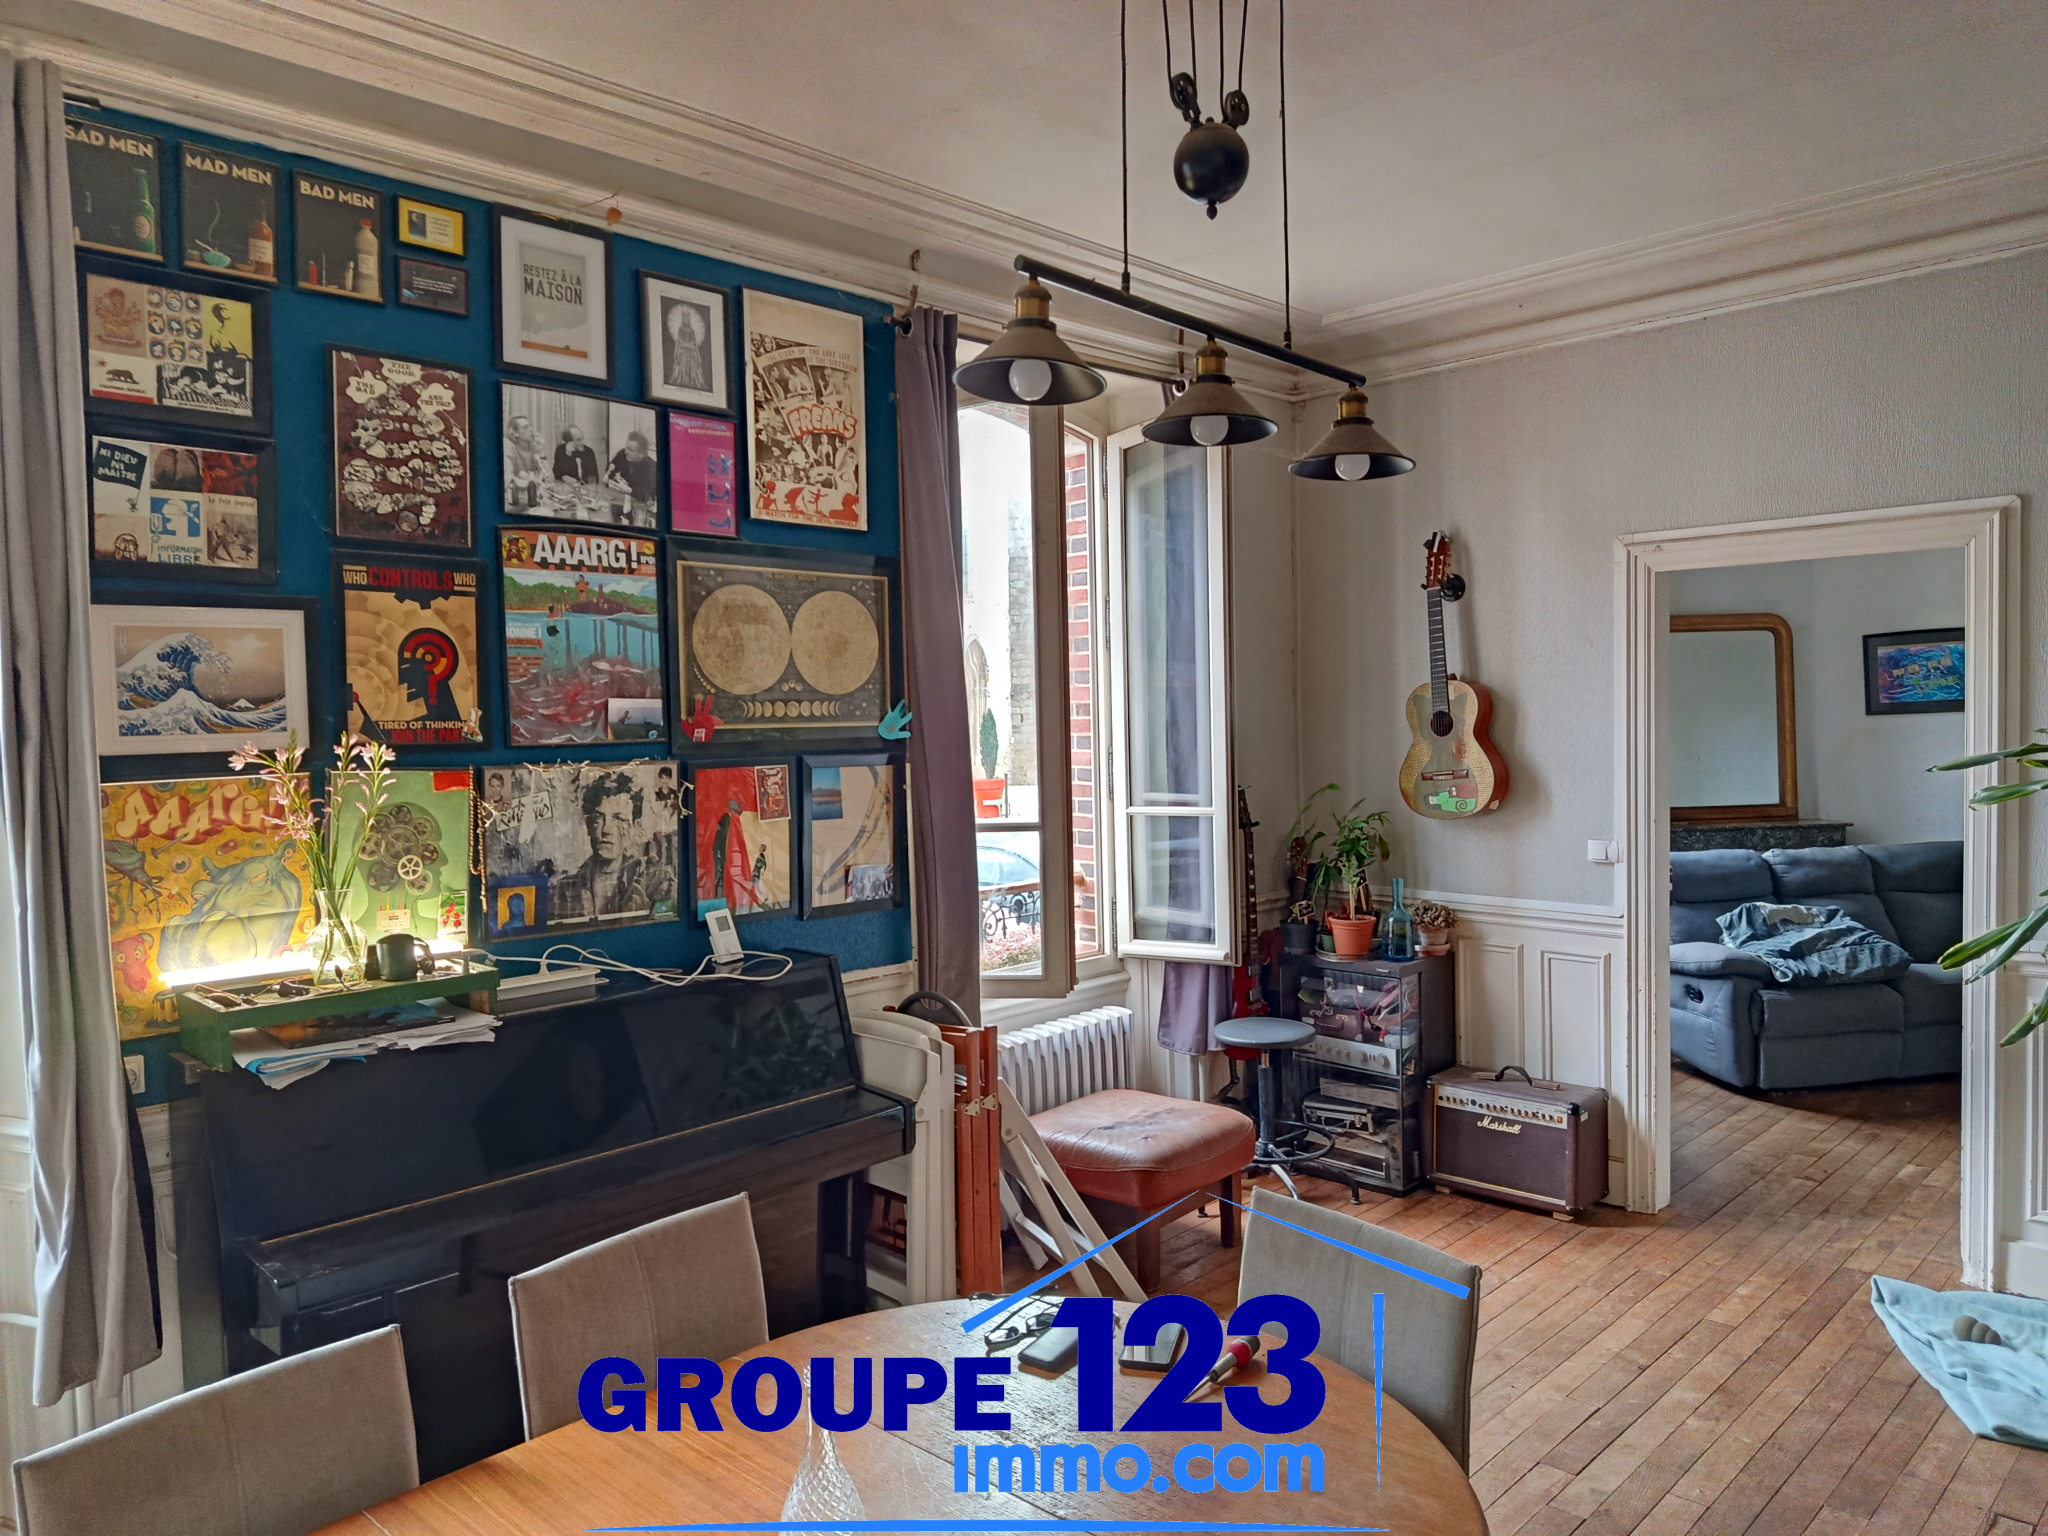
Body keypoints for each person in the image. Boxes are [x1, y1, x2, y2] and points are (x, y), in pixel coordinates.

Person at [552, 771, 677, 920]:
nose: (606, 830)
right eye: (599, 819)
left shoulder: (653, 881)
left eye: (619, 819)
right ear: (589, 825)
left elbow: (665, 924)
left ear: (634, 826)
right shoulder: (564, 889)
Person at [605, 429, 658, 523]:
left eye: (631, 450)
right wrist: (614, 479)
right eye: (626, 447)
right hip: (619, 505)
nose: (626, 451)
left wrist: (630, 490)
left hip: (639, 511)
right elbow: (610, 472)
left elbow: (649, 495)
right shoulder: (622, 454)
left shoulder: (652, 467)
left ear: (641, 454)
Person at [662, 298, 710, 393]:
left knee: (693, 367)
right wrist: (685, 344)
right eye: (684, 318)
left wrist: (690, 345)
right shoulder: (680, 329)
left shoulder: (692, 331)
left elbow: (694, 343)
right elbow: (679, 341)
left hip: (691, 353)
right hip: (683, 352)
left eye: (687, 318)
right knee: (681, 368)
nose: (686, 320)